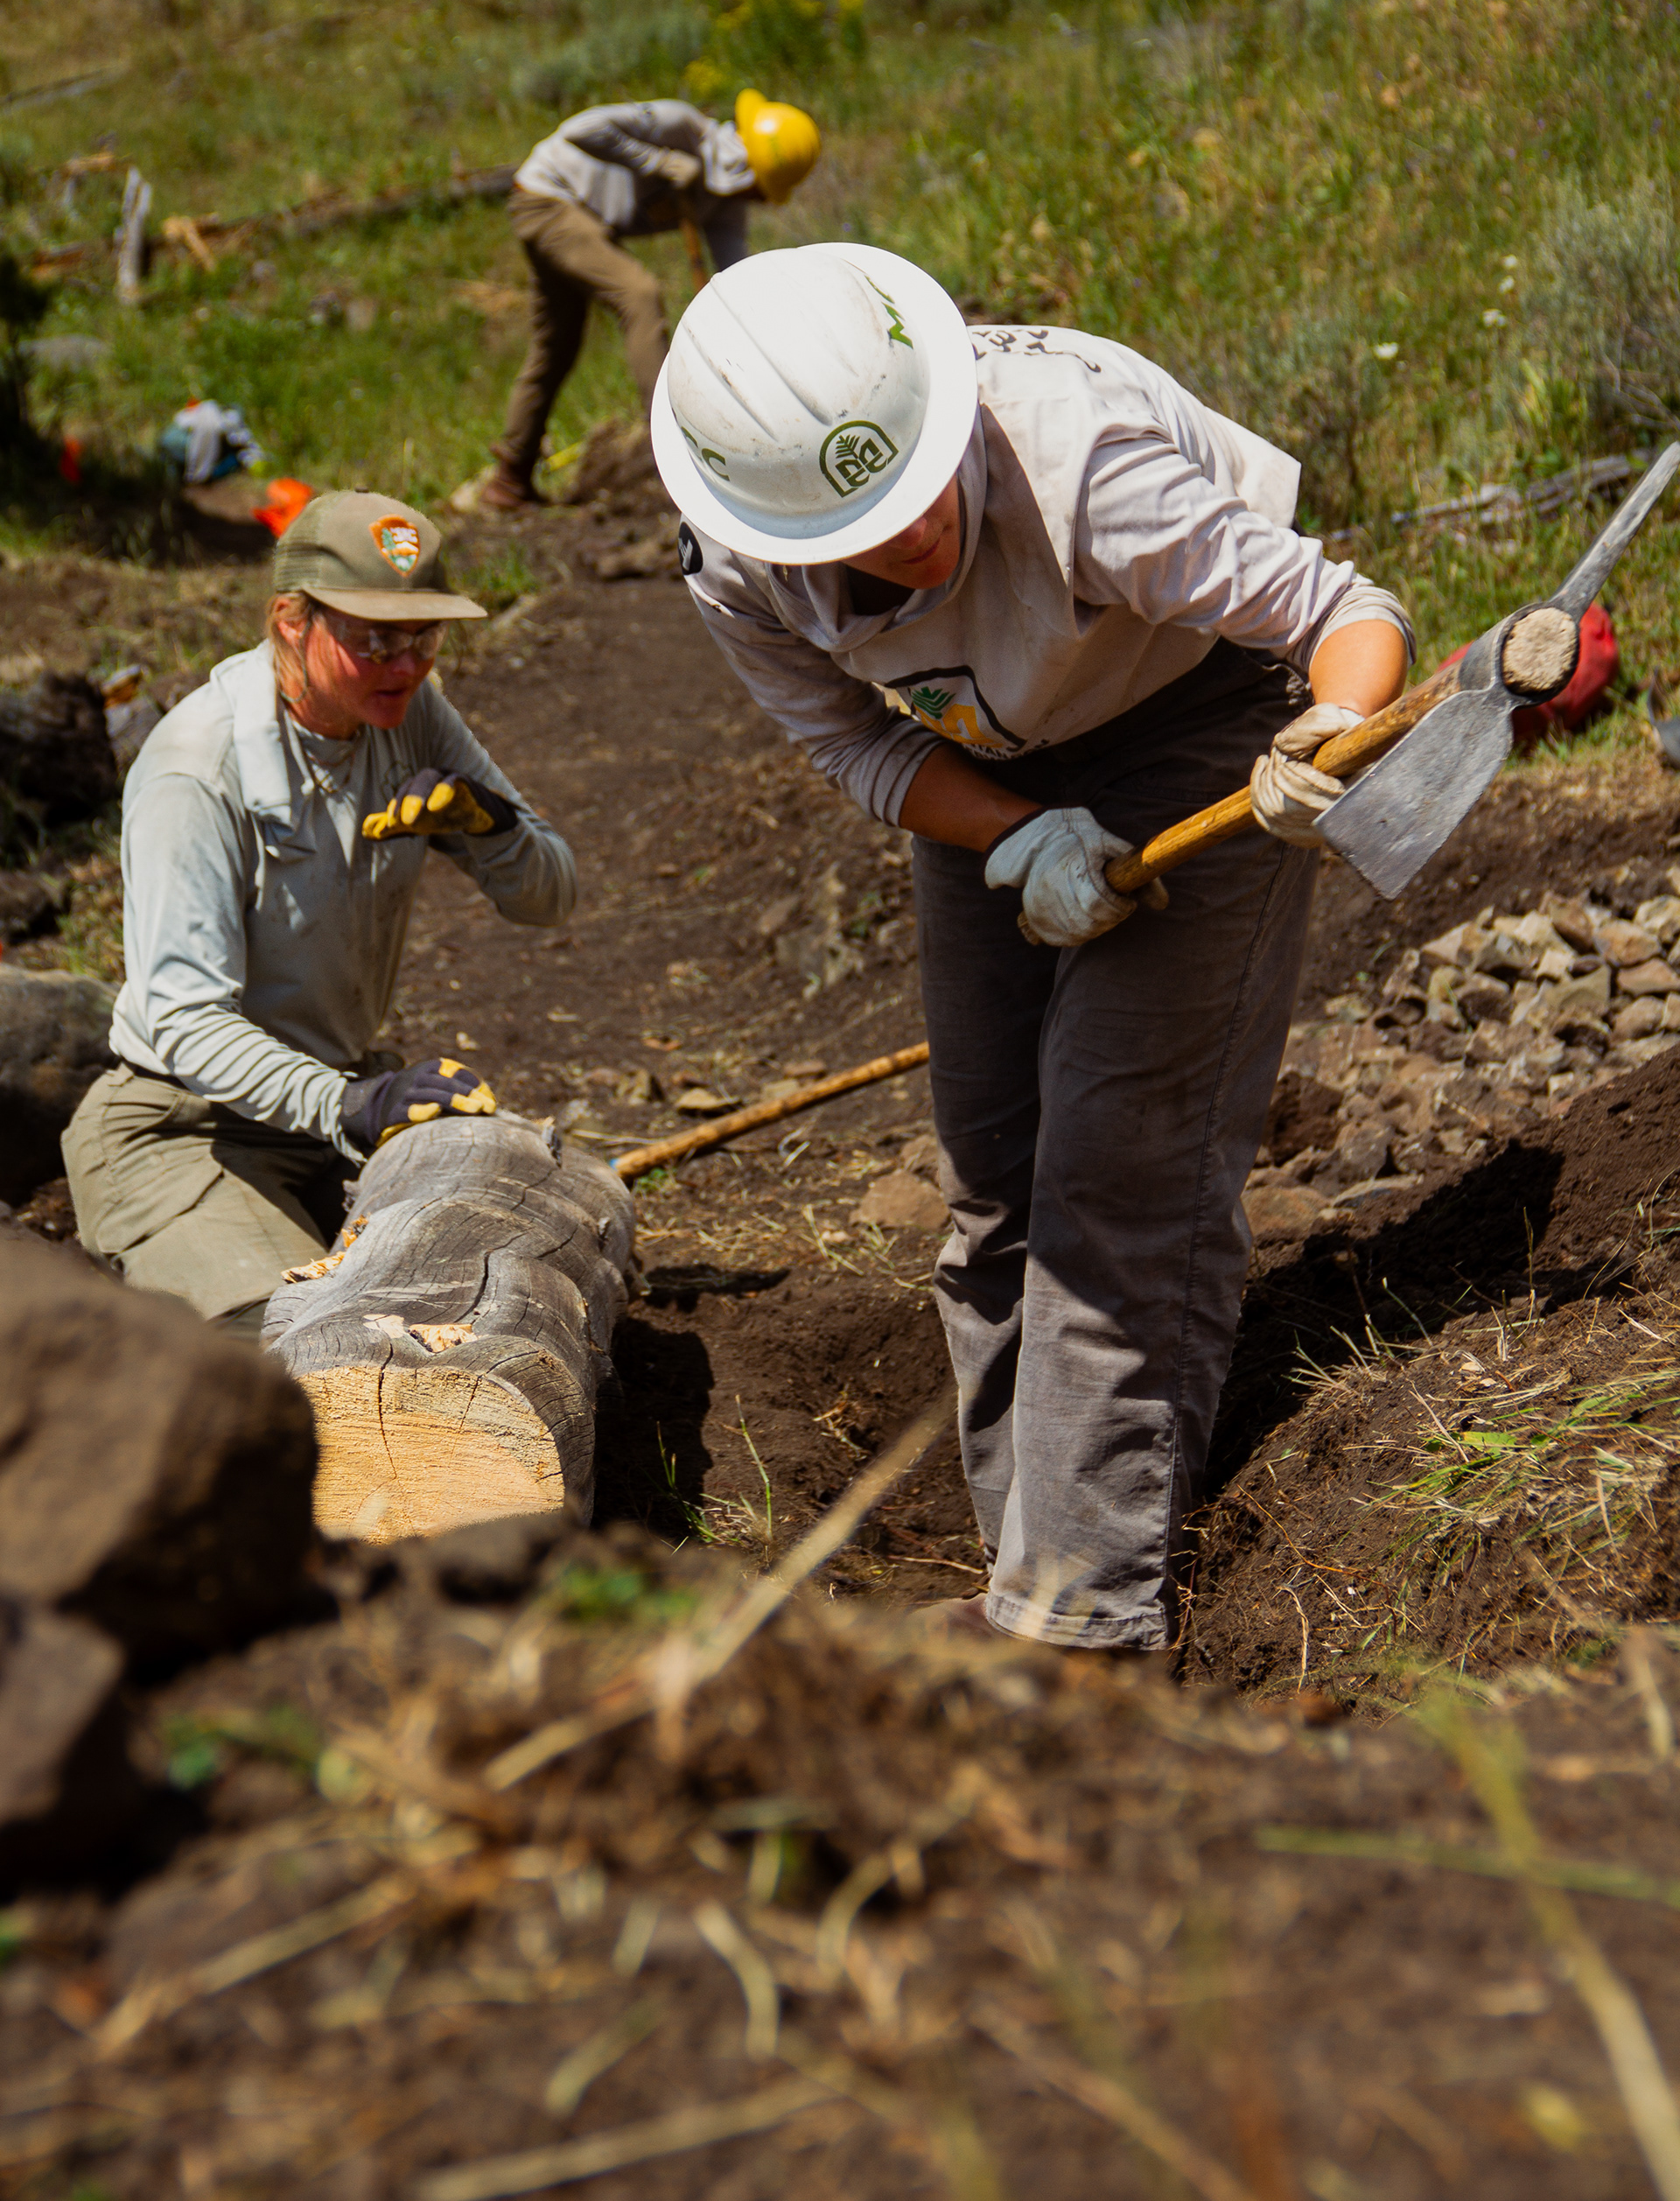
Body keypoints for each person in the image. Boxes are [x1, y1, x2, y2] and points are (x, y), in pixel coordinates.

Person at [651, 245, 1413, 1653]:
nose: (912, 541)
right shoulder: (734, 560)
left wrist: (1320, 741)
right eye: (861, 536)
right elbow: (856, 743)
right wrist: (1017, 837)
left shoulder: (1077, 458)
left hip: (1192, 712)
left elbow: (1347, 619)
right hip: (975, 772)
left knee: (1120, 1161)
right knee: (995, 1173)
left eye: (925, 494)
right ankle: (1030, 1561)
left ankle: (1080, 1626)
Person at [64, 489, 577, 1339]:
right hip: (188, 1125)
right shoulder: (199, 767)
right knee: (285, 1355)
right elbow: (186, 1021)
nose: (403, 666)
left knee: (489, 1304)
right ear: (290, 622)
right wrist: (351, 1105)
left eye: (422, 637)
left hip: (332, 1104)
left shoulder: (409, 719)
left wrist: (490, 824)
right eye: (372, 637)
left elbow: (551, 897)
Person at [480, 89, 821, 512]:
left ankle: (509, 480)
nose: (758, 202)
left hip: (584, 221)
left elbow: (736, 279)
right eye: (759, 190)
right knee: (639, 295)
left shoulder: (723, 203)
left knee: (556, 347)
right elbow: (579, 130)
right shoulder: (681, 127)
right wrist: (656, 160)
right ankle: (671, 437)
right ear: (744, 169)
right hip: (547, 198)